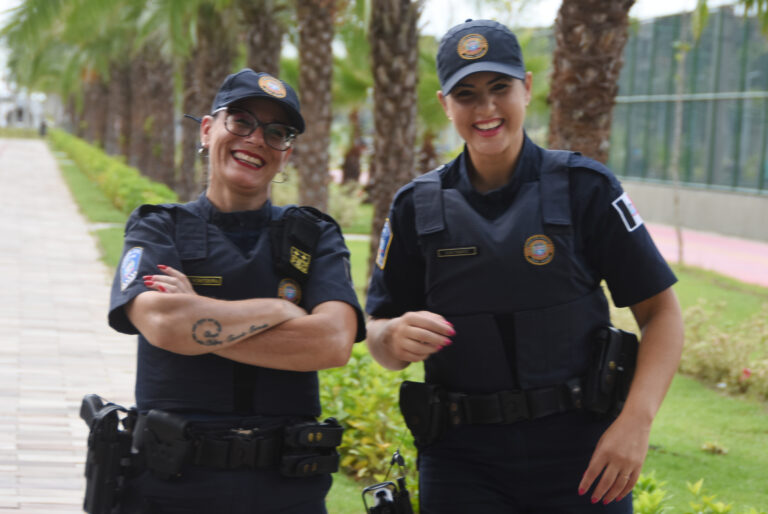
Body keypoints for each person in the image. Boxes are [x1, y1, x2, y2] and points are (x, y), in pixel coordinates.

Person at [365, 19, 684, 513]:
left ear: (528, 88)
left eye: (500, 87)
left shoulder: (587, 188)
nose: (486, 108)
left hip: (582, 455)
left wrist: (635, 423)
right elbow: (381, 333)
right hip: (461, 460)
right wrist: (389, 337)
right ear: (445, 104)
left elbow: (662, 313)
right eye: (466, 93)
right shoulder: (416, 207)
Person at [107, 68, 365, 513]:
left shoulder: (314, 235)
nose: (256, 139)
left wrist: (199, 316)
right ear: (208, 130)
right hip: (172, 486)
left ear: (286, 154)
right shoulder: (158, 227)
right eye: (241, 121)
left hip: (286, 490)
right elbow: (165, 324)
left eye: (277, 132)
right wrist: (282, 310)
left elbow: (333, 341)